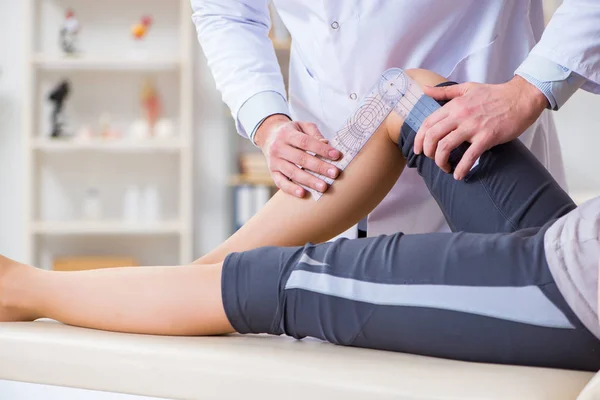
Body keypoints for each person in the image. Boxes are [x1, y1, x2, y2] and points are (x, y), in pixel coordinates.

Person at [1, 69, 599, 371]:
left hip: (574, 290)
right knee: (406, 91)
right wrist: (267, 121)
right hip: (579, 242)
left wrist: (529, 88)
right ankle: (184, 285)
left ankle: (20, 288)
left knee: (275, 280)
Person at [192, 0, 600, 239]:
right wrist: (267, 122)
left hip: (475, 153)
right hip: (329, 168)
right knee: (234, 283)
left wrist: (529, 88)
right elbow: (226, 12)